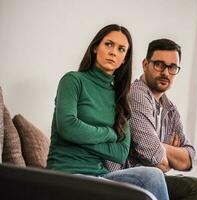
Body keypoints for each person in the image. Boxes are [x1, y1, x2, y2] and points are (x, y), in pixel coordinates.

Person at [46, 24, 169, 200]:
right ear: (96, 47)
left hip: (100, 176)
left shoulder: (121, 98)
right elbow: (67, 127)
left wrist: (78, 136)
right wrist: (109, 133)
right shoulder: (73, 81)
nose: (113, 52)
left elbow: (119, 153)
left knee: (153, 175)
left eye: (121, 49)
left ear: (124, 59)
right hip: (66, 174)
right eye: (108, 44)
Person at [105, 38, 197, 200]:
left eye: (172, 67)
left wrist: (159, 148)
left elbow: (189, 158)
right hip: (128, 178)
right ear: (145, 64)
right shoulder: (136, 94)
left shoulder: (170, 109)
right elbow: (152, 154)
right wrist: (166, 154)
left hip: (152, 177)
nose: (166, 72)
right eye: (159, 65)